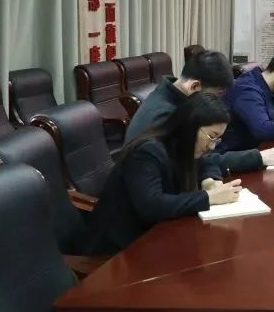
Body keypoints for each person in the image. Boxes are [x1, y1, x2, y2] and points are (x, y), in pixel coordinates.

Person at [85, 93, 244, 254]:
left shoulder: (184, 145)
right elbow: (152, 206)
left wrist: (210, 180)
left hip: (158, 236)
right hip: (119, 250)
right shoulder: (147, 152)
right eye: (212, 137)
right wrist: (208, 197)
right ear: (190, 125)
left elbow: (207, 160)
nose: (212, 146)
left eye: (217, 139)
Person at [125, 49, 274, 174]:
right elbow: (193, 164)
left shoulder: (177, 98)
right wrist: (257, 158)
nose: (218, 102)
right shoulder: (166, 114)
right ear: (195, 86)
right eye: (217, 95)